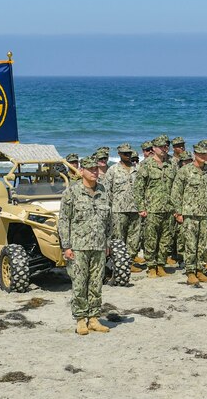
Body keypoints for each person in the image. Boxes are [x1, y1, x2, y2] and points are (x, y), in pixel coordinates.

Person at [58, 156, 112, 336]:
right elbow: (64, 221)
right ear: (82, 171)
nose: (95, 172)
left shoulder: (104, 192)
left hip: (98, 246)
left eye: (96, 169)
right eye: (90, 169)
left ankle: (94, 318)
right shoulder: (71, 193)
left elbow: (109, 221)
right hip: (78, 246)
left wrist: (107, 243)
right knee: (80, 284)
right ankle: (81, 320)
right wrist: (66, 246)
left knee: (96, 284)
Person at [172, 141, 207, 285]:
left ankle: (200, 270)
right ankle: (190, 272)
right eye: (201, 154)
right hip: (189, 214)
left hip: (205, 214)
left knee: (204, 245)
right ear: (195, 154)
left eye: (205, 154)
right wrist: (178, 212)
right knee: (190, 244)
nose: (204, 156)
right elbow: (176, 192)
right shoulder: (185, 171)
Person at [134, 135, 177, 277]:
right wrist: (141, 207)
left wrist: (177, 207)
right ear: (154, 148)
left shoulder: (173, 163)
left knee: (166, 239)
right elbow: (139, 188)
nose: (164, 149)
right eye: (161, 147)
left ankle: (161, 264)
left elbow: (177, 187)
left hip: (169, 208)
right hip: (151, 208)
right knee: (150, 239)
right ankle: (151, 266)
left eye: (166, 146)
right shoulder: (146, 165)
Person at [103, 143, 141, 273]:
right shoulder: (113, 170)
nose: (128, 155)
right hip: (118, 209)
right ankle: (118, 264)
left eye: (129, 153)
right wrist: (108, 210)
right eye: (125, 153)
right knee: (118, 239)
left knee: (134, 238)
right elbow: (107, 191)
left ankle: (130, 263)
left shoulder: (137, 169)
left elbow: (142, 189)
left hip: (135, 208)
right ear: (119, 154)